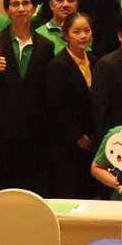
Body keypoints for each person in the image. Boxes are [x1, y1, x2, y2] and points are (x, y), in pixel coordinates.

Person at [0, 0, 53, 197]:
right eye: (15, 4)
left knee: (30, 192)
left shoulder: (45, 46)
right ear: (7, 10)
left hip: (33, 133)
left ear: (34, 9)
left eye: (26, 3)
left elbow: (46, 91)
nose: (21, 8)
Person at [44, 12, 102, 197]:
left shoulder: (95, 61)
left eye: (87, 30)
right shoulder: (57, 65)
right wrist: (77, 136)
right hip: (67, 142)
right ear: (66, 34)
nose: (83, 36)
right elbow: (56, 107)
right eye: (77, 32)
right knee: (69, 193)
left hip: (92, 139)